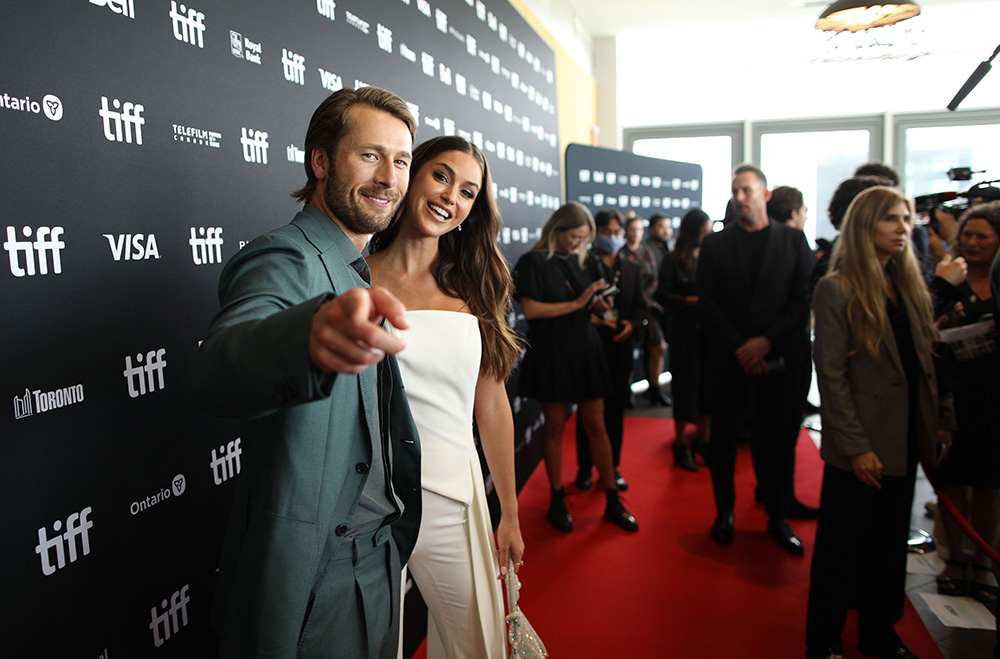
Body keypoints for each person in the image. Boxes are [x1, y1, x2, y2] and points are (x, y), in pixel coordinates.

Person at [188, 87, 421, 659]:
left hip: (378, 561)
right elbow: (219, 368)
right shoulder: (286, 257)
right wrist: (309, 338)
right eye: (370, 156)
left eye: (401, 161)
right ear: (320, 161)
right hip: (317, 584)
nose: (389, 178)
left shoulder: (356, 265)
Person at [366, 136, 524, 658]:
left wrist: (510, 512)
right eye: (441, 176)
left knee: (475, 646)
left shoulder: (473, 287)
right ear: (410, 175)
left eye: (468, 192)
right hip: (364, 500)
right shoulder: (349, 276)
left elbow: (493, 405)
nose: (450, 196)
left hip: (452, 499)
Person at [806, 185, 955, 659]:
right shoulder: (836, 288)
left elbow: (929, 364)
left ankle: (879, 632)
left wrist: (940, 421)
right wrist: (855, 445)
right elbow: (831, 376)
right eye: (892, 219)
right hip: (861, 445)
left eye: (907, 220)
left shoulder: (910, 284)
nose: (903, 229)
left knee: (889, 548)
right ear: (865, 225)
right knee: (840, 551)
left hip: (906, 435)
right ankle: (824, 641)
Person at [697, 164, 815, 554]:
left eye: (747, 190)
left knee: (778, 441)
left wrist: (765, 342)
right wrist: (742, 348)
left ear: (765, 195)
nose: (740, 197)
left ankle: (777, 515)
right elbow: (709, 304)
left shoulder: (794, 242)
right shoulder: (715, 245)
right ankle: (724, 513)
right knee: (724, 442)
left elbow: (802, 301)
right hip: (729, 359)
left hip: (780, 358)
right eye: (735, 191)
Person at [513, 201, 639, 533]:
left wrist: (599, 306)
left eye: (584, 238)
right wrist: (578, 303)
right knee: (554, 427)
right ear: (557, 230)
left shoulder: (588, 261)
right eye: (575, 237)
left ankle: (612, 496)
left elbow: (593, 309)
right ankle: (557, 498)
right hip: (553, 351)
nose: (579, 243)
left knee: (597, 426)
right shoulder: (534, 261)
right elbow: (532, 310)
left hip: (586, 348)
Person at [929, 201, 1000, 606]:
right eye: (967, 235)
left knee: (991, 481)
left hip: (994, 391)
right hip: (955, 389)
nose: (972, 243)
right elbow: (926, 334)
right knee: (952, 476)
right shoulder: (946, 278)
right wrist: (945, 325)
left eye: (982, 237)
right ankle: (955, 557)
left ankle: (984, 561)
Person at [574, 209, 645, 492]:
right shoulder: (583, 265)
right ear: (596, 233)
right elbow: (575, 304)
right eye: (607, 232)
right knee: (588, 411)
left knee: (615, 409)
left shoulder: (632, 267)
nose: (613, 238)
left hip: (620, 345)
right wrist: (589, 316)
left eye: (618, 233)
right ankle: (584, 468)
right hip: (591, 345)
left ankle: (611, 467)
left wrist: (631, 324)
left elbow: (642, 306)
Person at [655, 208, 712, 471]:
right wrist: (692, 301)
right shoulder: (672, 259)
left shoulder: (711, 255)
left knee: (707, 389)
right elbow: (663, 295)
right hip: (683, 333)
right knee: (684, 388)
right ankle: (680, 444)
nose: (708, 234)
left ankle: (703, 440)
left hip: (708, 332)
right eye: (705, 230)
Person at [621, 212, 668, 410]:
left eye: (639, 229)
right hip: (628, 309)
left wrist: (646, 299)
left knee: (659, 348)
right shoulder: (620, 253)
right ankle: (627, 391)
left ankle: (655, 388)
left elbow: (655, 278)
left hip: (648, 308)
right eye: (632, 229)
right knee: (627, 352)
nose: (636, 233)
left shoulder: (648, 252)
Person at [643, 212, 674, 406]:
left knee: (658, 350)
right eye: (662, 227)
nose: (666, 231)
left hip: (665, 307)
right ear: (652, 229)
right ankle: (654, 389)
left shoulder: (668, 249)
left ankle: (655, 389)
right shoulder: (646, 250)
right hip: (649, 307)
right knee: (657, 349)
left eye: (668, 227)